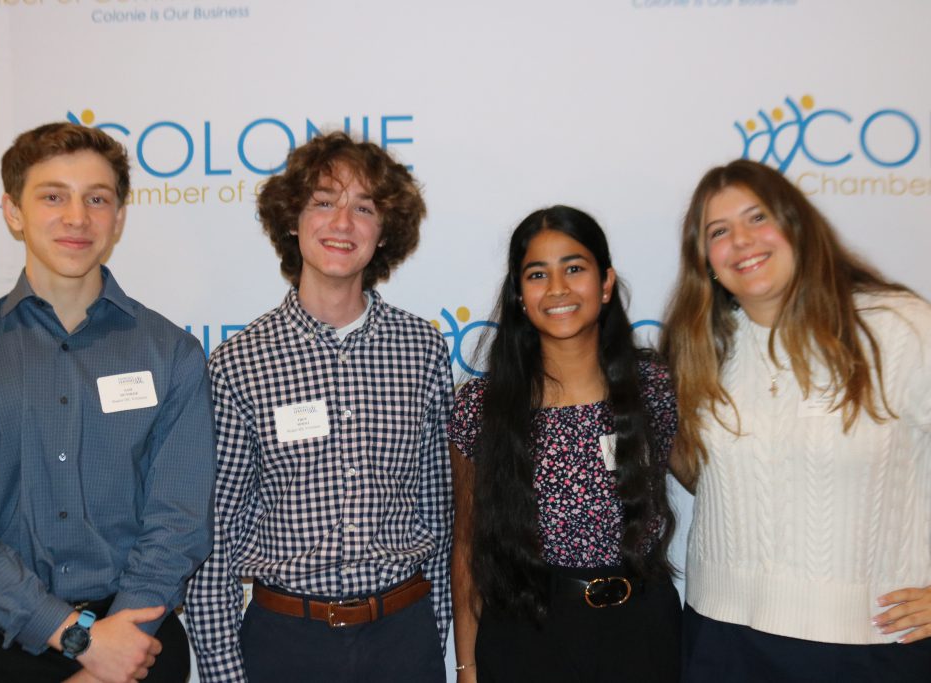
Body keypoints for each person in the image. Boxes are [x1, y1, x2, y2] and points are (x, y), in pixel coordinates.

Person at [0, 122, 216, 683]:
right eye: (53, 196)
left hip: (138, 642)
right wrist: (80, 640)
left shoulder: (172, 354)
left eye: (96, 199)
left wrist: (116, 648)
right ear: (13, 212)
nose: (77, 218)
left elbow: (179, 522)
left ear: (118, 218)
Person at [185, 132, 454, 683]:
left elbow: (439, 513)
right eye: (324, 202)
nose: (342, 223)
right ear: (292, 219)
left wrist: (435, 629)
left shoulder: (421, 350)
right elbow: (215, 535)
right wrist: (221, 671)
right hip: (286, 642)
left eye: (364, 208)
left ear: (384, 233)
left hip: (403, 636)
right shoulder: (240, 363)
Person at [661, 159, 931, 682]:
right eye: (720, 231)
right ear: (706, 261)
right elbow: (701, 476)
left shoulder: (897, 327)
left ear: (798, 227)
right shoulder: (699, 347)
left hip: (870, 644)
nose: (741, 240)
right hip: (720, 639)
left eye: (758, 218)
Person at [449, 206, 681, 682]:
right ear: (519, 294)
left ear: (606, 282)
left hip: (641, 634)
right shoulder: (482, 406)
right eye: (538, 274)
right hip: (525, 636)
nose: (557, 289)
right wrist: (467, 665)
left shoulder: (653, 387)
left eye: (574, 268)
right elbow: (468, 546)